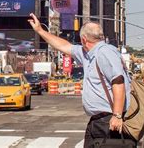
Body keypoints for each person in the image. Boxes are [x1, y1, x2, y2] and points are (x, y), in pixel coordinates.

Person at [28, 13, 134, 147]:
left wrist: (117, 116)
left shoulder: (105, 52)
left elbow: (118, 82)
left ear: (83, 39)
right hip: (99, 121)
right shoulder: (88, 54)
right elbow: (63, 46)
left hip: (109, 120)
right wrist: (40, 30)